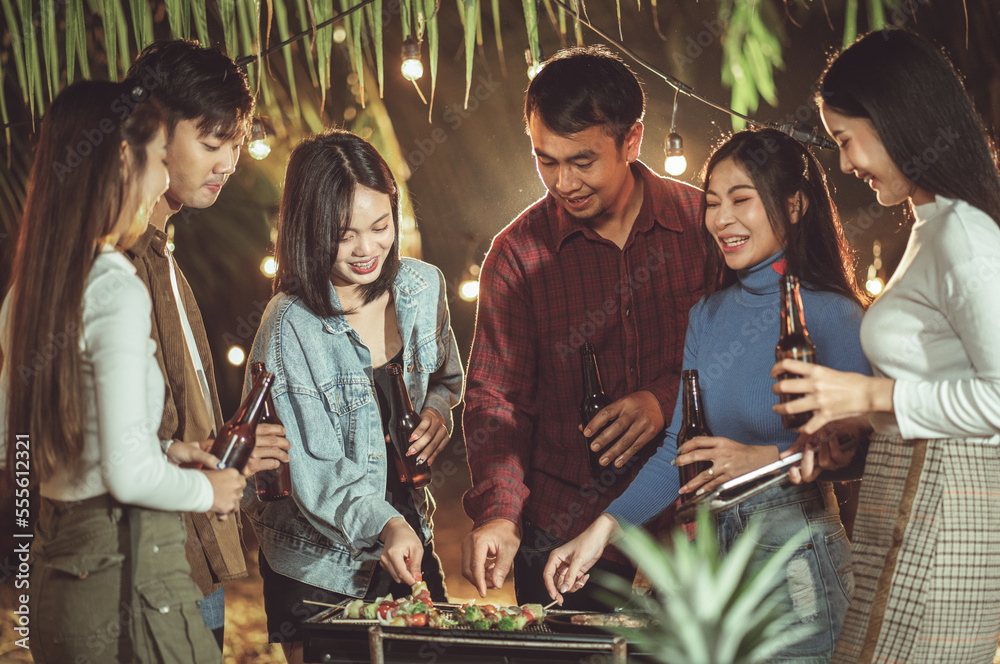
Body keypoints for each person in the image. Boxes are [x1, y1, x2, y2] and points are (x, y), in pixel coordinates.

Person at [544, 128, 873, 661]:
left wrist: (763, 460)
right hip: (717, 570)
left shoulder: (833, 314)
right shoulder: (708, 315)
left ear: (793, 204)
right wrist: (602, 530)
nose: (721, 219)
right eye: (713, 203)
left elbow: (867, 449)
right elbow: (680, 447)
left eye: (741, 200)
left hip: (798, 563)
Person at [772, 29, 1000, 664]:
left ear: (896, 119)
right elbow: (942, 384)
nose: (844, 164)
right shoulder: (930, 229)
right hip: (904, 499)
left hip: (946, 516)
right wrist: (853, 419)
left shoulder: (965, 233)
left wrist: (870, 391)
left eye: (845, 139)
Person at [0, 80, 245, 664]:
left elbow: (18, 445)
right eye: (158, 159)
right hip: (128, 579)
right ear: (119, 161)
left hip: (59, 579)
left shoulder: (26, 293)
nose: (162, 179)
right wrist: (205, 489)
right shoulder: (113, 283)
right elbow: (128, 476)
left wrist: (162, 447)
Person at [461, 45, 708, 609]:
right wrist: (499, 511)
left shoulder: (705, 227)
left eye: (582, 161)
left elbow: (748, 359)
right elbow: (496, 400)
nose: (563, 182)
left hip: (692, 525)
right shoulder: (517, 254)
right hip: (561, 531)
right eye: (546, 160)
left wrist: (663, 401)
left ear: (632, 141)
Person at [244, 129, 462, 664]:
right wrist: (384, 524)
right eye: (344, 235)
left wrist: (439, 410)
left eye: (381, 225)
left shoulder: (422, 287)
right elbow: (309, 465)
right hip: (318, 560)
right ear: (308, 229)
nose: (368, 249)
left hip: (409, 529)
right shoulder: (288, 325)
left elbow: (447, 378)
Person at [122, 40, 291, 649]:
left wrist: (230, 449)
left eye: (236, 144)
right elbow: (128, 438)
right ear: (153, 131)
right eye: (212, 143)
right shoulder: (123, 261)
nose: (228, 163)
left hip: (197, 553)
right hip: (154, 564)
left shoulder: (165, 252)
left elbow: (171, 427)